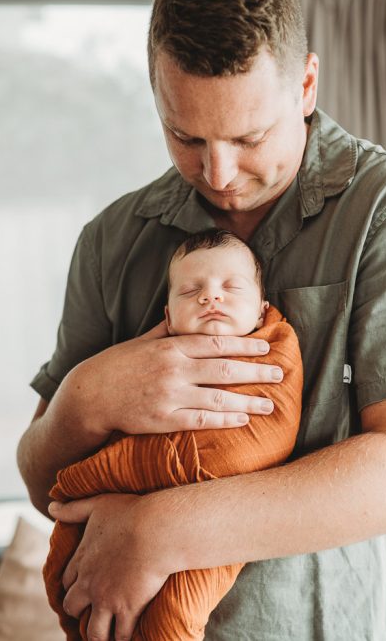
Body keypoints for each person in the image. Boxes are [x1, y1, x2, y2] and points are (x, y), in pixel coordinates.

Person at [16, 0, 386, 639]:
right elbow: (41, 480)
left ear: (306, 84)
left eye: (249, 137)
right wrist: (86, 397)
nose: (218, 173)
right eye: (186, 136)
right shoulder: (113, 240)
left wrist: (161, 530)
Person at [42, 229, 304, 640]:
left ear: (261, 311)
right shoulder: (139, 366)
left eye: (231, 288)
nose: (210, 297)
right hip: (131, 506)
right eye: (190, 291)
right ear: (167, 317)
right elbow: (62, 466)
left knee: (173, 616)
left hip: (225, 516)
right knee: (75, 581)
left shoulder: (274, 349)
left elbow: (273, 432)